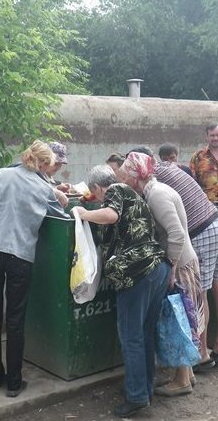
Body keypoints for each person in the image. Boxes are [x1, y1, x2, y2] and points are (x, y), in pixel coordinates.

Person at [0, 140, 69, 398]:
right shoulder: (43, 187)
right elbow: (62, 216)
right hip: (21, 258)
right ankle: (14, 383)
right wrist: (60, 197)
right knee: (15, 321)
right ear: (43, 163)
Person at [72, 165, 170, 418]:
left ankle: (136, 396)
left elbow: (111, 216)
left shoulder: (116, 189)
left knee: (131, 337)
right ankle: (145, 390)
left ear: (97, 188)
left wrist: (83, 212)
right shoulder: (133, 197)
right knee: (145, 334)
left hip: (137, 273)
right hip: (156, 269)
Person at [130, 146, 218, 370]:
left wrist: (172, 263)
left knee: (199, 293)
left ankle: (201, 354)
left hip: (201, 230)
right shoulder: (170, 167)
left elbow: (173, 230)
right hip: (217, 220)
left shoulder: (154, 181)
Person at [119, 152, 203, 397]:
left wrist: (172, 267)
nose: (124, 181)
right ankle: (187, 374)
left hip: (181, 262)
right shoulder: (156, 190)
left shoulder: (156, 196)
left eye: (126, 176)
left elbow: (176, 234)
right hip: (181, 260)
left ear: (136, 177)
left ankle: (182, 380)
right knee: (182, 317)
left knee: (177, 321)